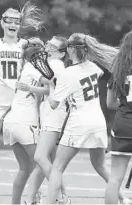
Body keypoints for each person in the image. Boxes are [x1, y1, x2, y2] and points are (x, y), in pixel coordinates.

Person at [46, 33, 131, 204]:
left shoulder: (67, 73)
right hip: (97, 123)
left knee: (57, 167)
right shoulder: (94, 67)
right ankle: (123, 198)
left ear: (70, 50)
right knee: (100, 165)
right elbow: (98, 75)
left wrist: (50, 86)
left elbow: (54, 103)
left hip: (80, 123)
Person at [0, 2, 44, 204]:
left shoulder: (25, 45)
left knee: (29, 153)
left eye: (16, 22)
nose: (12, 25)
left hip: (20, 104)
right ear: (2, 23)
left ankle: (34, 191)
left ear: (19, 25)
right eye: (9, 21)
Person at [19, 36, 71, 205]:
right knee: (48, 161)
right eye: (48, 43)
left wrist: (30, 88)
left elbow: (52, 90)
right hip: (48, 113)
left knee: (40, 157)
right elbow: (49, 87)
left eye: (52, 46)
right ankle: (29, 199)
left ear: (62, 53)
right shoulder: (52, 64)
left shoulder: (56, 64)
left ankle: (59, 198)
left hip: (54, 115)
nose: (47, 47)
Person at [2, 43, 49, 204]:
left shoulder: (26, 69)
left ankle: (16, 203)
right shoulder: (33, 69)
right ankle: (35, 198)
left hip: (11, 123)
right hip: (24, 122)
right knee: (43, 163)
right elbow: (51, 87)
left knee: (25, 168)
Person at [105, 30, 132, 204]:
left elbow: (110, 103)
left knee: (115, 177)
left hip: (123, 124)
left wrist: (125, 107)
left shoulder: (119, 69)